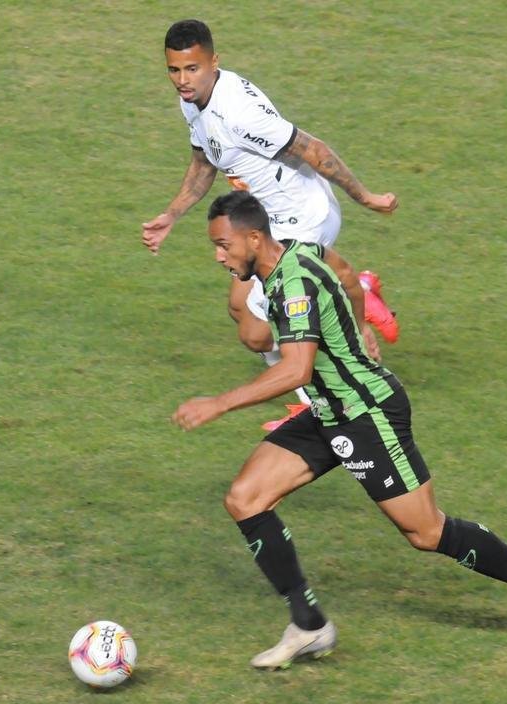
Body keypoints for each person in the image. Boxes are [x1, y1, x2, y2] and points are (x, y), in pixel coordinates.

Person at [172, 192, 507, 668]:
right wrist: (360, 324)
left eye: (224, 246)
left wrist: (219, 403)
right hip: (329, 412)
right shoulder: (305, 250)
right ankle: (309, 626)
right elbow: (347, 274)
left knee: (426, 533)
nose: (219, 256)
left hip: (367, 413)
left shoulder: (293, 286)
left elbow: (295, 372)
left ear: (254, 237)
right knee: (245, 498)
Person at [143, 19, 400, 428]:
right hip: (267, 222)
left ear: (214, 63)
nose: (182, 79)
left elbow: (313, 150)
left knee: (258, 334)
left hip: (303, 217)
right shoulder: (193, 100)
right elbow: (203, 159)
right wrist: (171, 215)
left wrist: (365, 197)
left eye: (191, 69)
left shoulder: (241, 114)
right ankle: (354, 287)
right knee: (237, 306)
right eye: (174, 70)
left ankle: (318, 403)